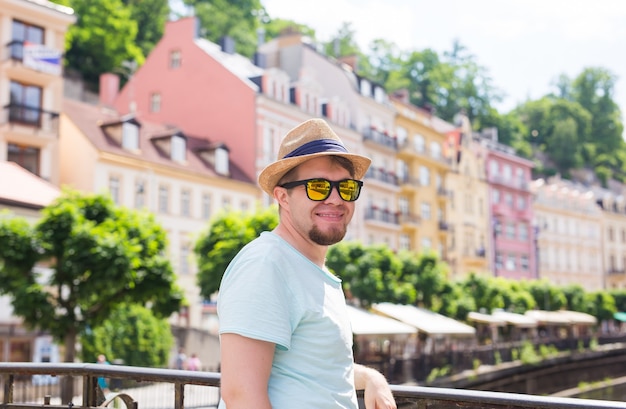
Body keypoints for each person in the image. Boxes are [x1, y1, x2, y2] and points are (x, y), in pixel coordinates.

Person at [217, 118, 397, 409]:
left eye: (346, 187)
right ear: (282, 197)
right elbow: (241, 396)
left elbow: (314, 368)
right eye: (318, 187)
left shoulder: (312, 271)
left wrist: (371, 378)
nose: (335, 198)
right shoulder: (266, 265)